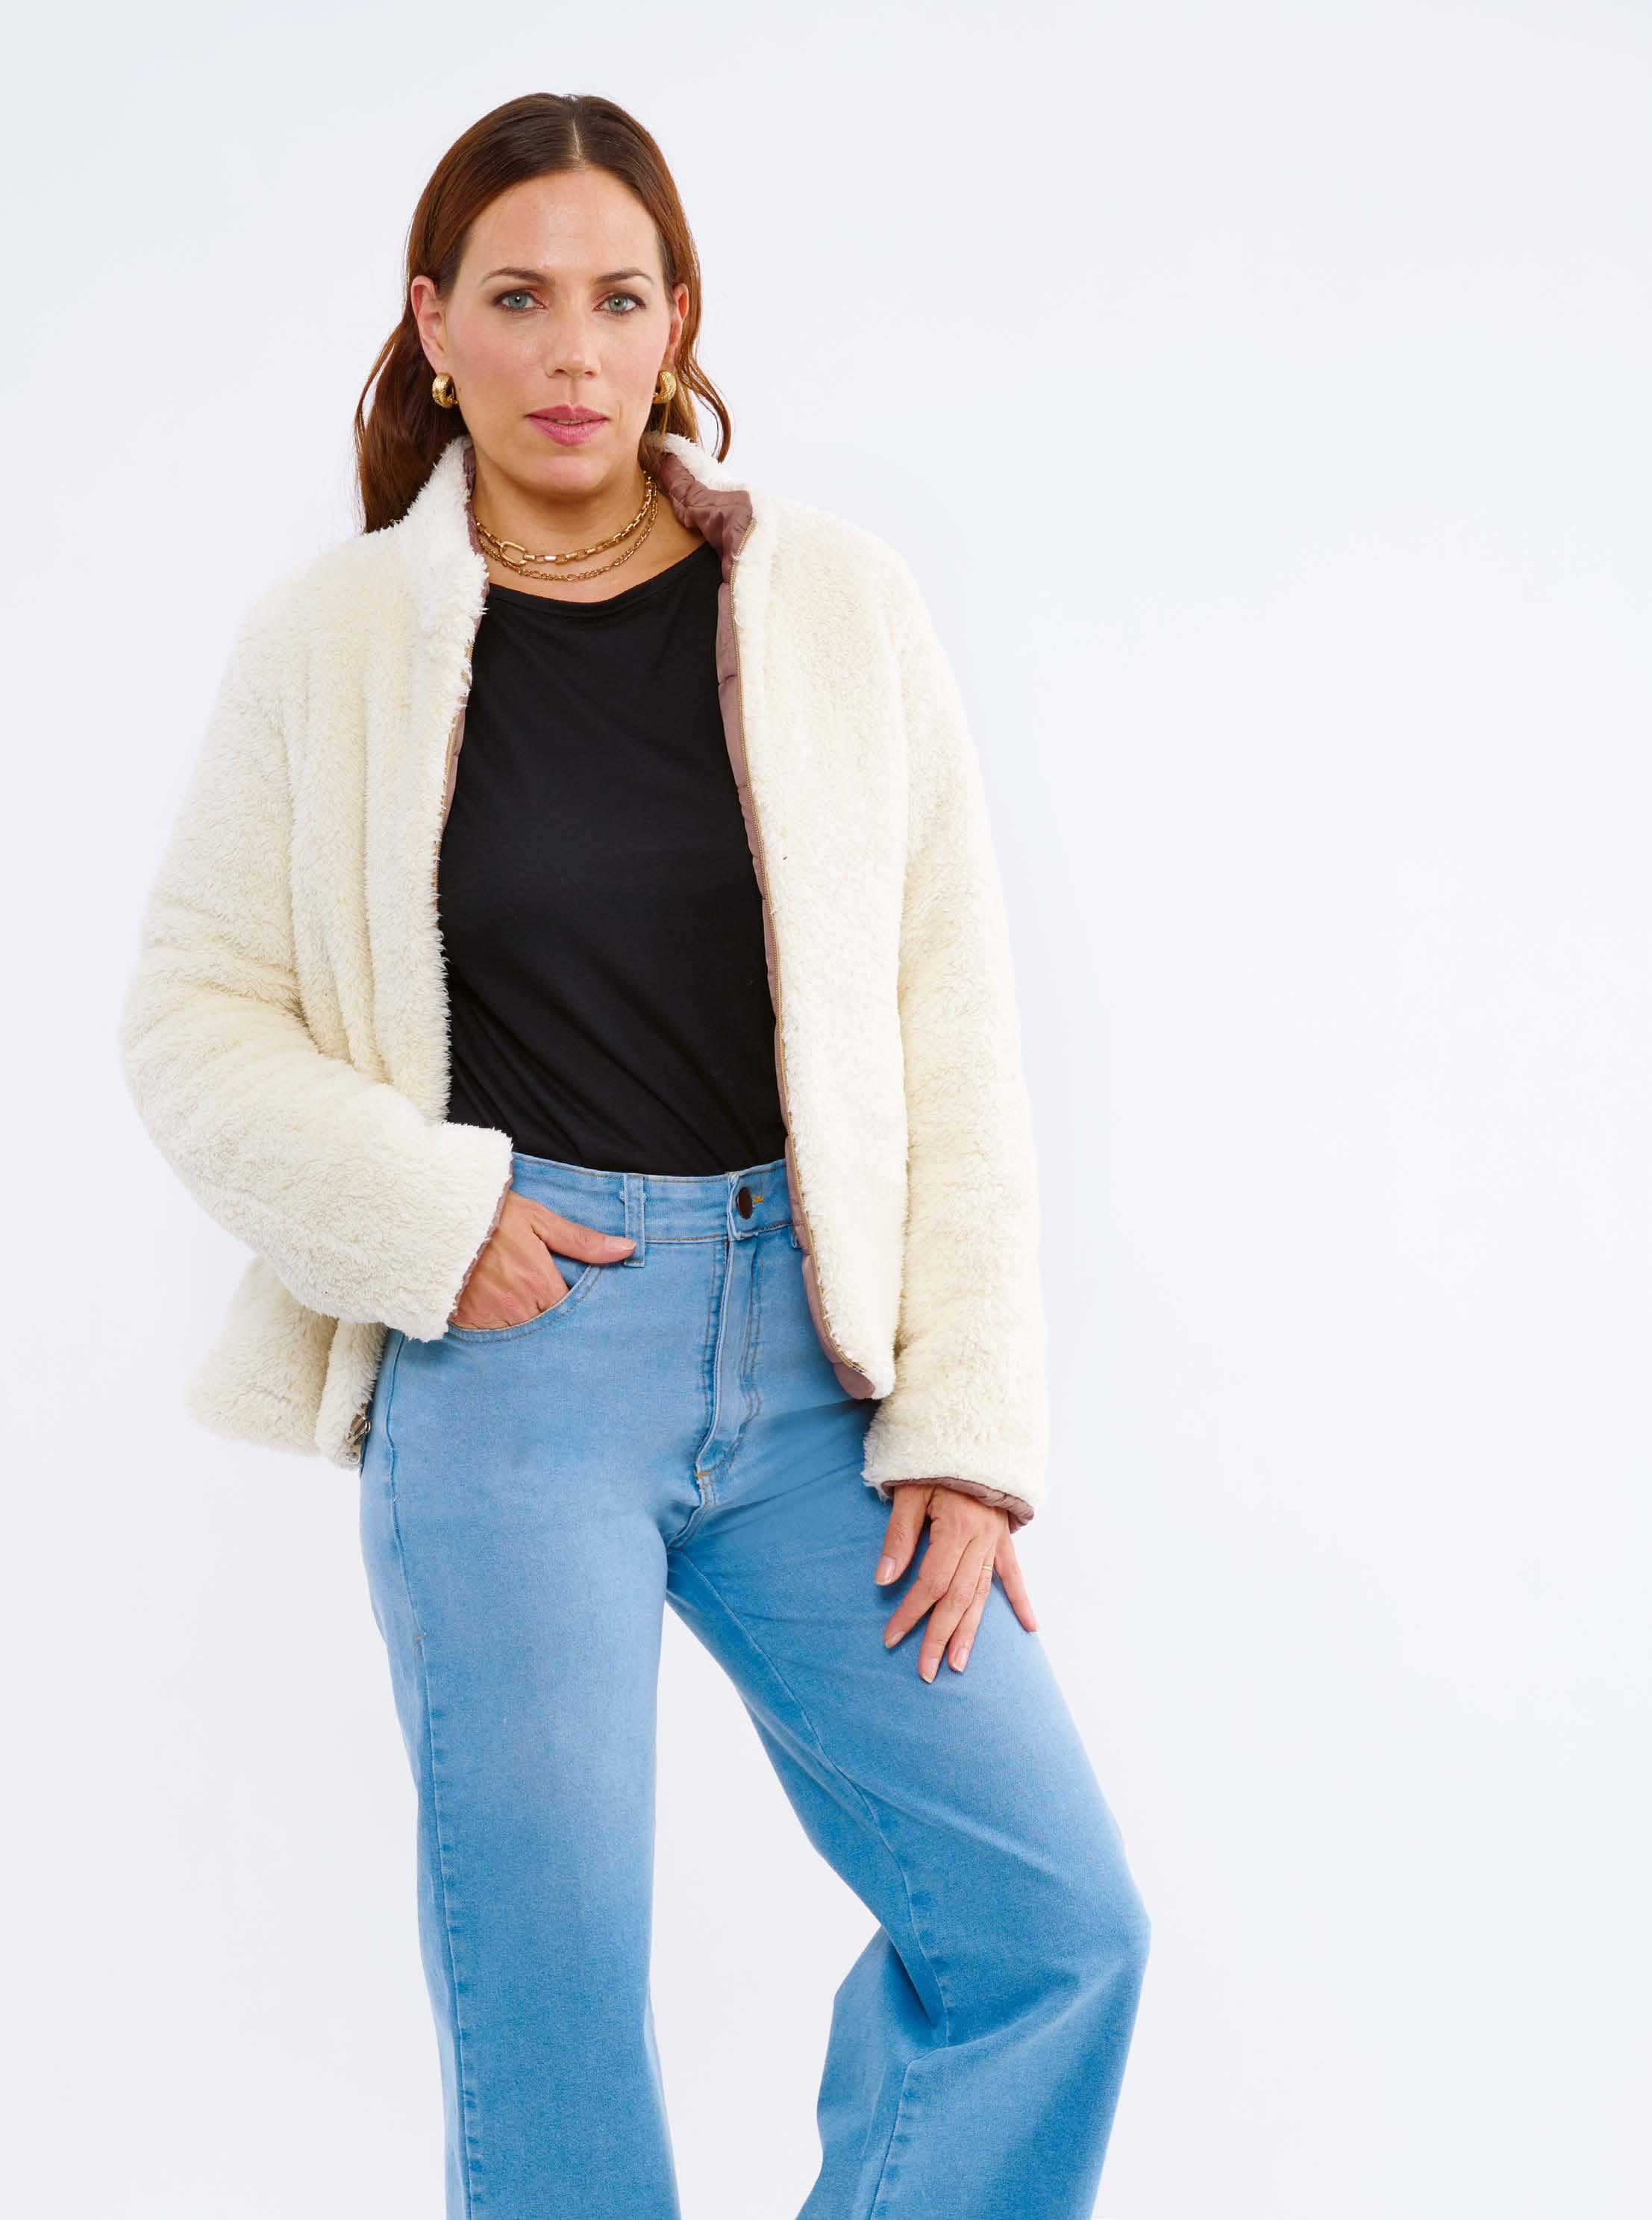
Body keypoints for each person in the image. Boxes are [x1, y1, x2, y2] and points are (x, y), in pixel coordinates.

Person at [118, 89, 1151, 2220]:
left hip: (820, 1365)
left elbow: (950, 1023)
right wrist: (434, 1217)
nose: (571, 352)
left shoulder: (836, 607)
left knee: (1052, 1930)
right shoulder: (332, 644)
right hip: (513, 1364)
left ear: (681, 317)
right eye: (518, 301)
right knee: (555, 2008)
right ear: (434, 327)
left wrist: (968, 1424)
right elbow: (193, 1018)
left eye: (616, 298)